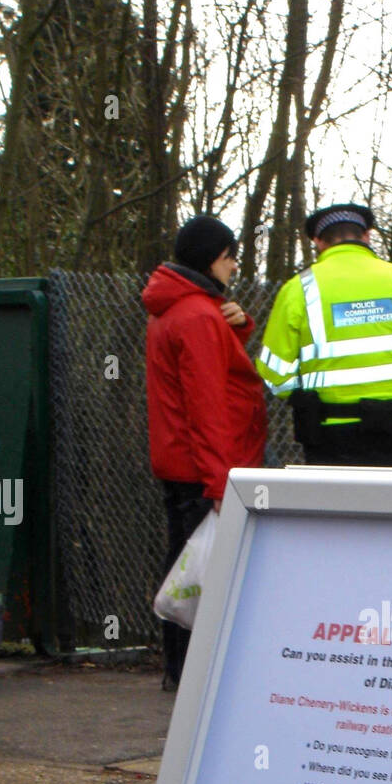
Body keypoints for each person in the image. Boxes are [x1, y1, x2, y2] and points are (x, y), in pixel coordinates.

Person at [143, 215, 267, 690]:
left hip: (183, 462)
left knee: (187, 563)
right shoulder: (196, 315)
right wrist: (222, 484)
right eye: (230, 257)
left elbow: (202, 377)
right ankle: (194, 673)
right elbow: (207, 404)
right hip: (205, 467)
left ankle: (182, 670)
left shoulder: (176, 309)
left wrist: (232, 330)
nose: (234, 267)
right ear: (213, 258)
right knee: (198, 569)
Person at [255, 203, 392, 466]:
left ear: (318, 241)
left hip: (330, 434)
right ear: (366, 236)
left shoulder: (298, 289)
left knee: (338, 507)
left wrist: (308, 394)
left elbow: (275, 372)